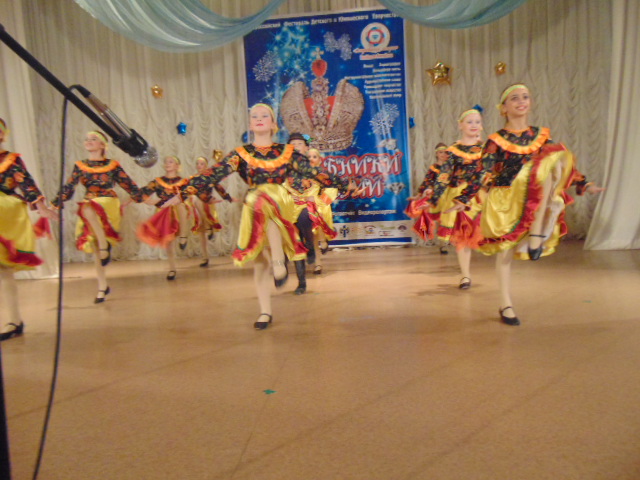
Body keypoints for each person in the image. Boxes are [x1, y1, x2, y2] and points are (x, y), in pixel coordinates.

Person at [181, 104, 356, 329]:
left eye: (265, 115)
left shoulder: (287, 152)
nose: (259, 118)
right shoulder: (240, 154)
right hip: (254, 208)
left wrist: (343, 183)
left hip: (280, 202)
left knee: (264, 196)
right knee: (259, 259)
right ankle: (265, 311)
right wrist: (184, 188)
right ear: (250, 123)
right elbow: (213, 174)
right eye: (254, 116)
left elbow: (314, 172)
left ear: (273, 124)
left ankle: (279, 261)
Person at [448, 84, 603, 326]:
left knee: (554, 157)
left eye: (525, 97)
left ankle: (537, 236)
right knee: (505, 253)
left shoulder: (541, 136)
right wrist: (464, 198)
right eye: (514, 98)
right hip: (506, 197)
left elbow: (560, 164)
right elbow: (482, 171)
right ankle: (505, 303)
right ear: (504, 108)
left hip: (534, 194)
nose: (521, 101)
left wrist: (583, 182)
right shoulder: (496, 140)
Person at [52, 131, 143, 303]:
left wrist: (142, 197)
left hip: (108, 202)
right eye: (87, 139)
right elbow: (69, 186)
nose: (89, 141)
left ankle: (103, 244)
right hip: (90, 204)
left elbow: (128, 184)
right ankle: (102, 286)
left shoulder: (112, 165)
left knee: (87, 207)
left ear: (102, 145)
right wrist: (55, 203)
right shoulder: (80, 165)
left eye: (93, 139)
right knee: (94, 244)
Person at [0, 118, 56, 340]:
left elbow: (27, 184)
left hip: (5, 210)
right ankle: (15, 321)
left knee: (3, 268)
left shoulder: (11, 160)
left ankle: (14, 320)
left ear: (2, 135)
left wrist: (41, 207)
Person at [425, 108, 485, 289]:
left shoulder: (486, 149)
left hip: (480, 195)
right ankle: (465, 275)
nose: (474, 125)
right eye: (469, 122)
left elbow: (491, 172)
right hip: (459, 197)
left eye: (477, 122)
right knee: (462, 238)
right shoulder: (453, 150)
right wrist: (434, 197)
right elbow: (444, 176)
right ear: (460, 125)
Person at [136, 156, 193, 280]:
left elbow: (190, 193)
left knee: (180, 205)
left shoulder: (183, 182)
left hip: (179, 211)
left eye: (171, 162)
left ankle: (183, 235)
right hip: (165, 213)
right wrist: (152, 201)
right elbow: (143, 193)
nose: (167, 163)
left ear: (177, 166)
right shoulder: (158, 181)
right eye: (166, 162)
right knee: (169, 241)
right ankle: (172, 268)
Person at [283, 132, 316, 294]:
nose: (296, 146)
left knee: (304, 217)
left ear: (306, 148)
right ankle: (301, 283)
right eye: (292, 144)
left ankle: (310, 244)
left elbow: (320, 184)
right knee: (294, 242)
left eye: (299, 144)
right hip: (289, 207)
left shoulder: (311, 166)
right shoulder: (283, 168)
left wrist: (311, 197)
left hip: (308, 206)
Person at [188, 153, 233, 267]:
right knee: (201, 233)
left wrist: (227, 197)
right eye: (198, 163)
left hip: (206, 204)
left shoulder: (209, 177)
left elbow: (218, 187)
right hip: (197, 206)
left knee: (201, 209)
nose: (199, 165)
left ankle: (209, 224)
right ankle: (205, 257)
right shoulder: (192, 178)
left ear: (206, 166)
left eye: (202, 164)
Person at [405, 143, 450, 254]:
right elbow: (427, 182)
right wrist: (418, 195)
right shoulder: (434, 168)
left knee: (446, 220)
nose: (443, 154)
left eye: (445, 152)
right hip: (436, 196)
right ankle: (441, 243)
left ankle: (444, 244)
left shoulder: (451, 167)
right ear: (436, 154)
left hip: (448, 196)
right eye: (440, 152)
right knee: (436, 219)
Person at [307, 147, 339, 275]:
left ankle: (322, 246)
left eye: (314, 157)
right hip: (303, 206)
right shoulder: (301, 174)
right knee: (311, 238)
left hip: (318, 205)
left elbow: (333, 187)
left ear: (320, 160)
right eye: (309, 157)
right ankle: (317, 263)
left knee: (317, 229)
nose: (311, 159)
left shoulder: (323, 174)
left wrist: (322, 201)